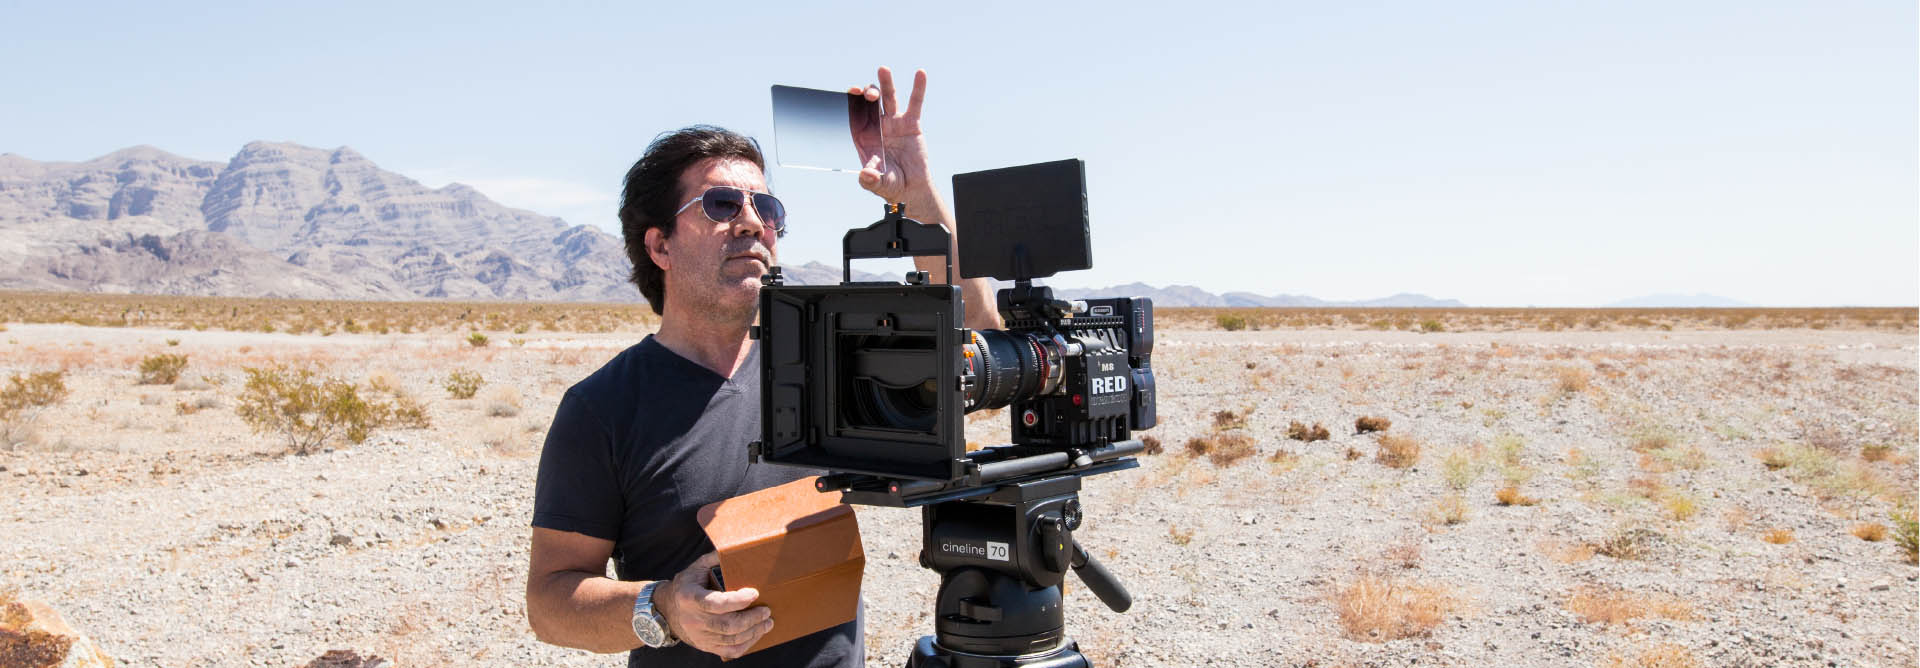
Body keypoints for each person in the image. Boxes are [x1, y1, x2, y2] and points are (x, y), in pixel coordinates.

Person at [524, 67, 999, 667]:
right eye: (721, 205)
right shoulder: (604, 409)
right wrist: (665, 609)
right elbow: (550, 600)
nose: (752, 222)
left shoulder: (827, 366)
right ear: (660, 246)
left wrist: (919, 195)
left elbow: (982, 342)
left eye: (766, 207)